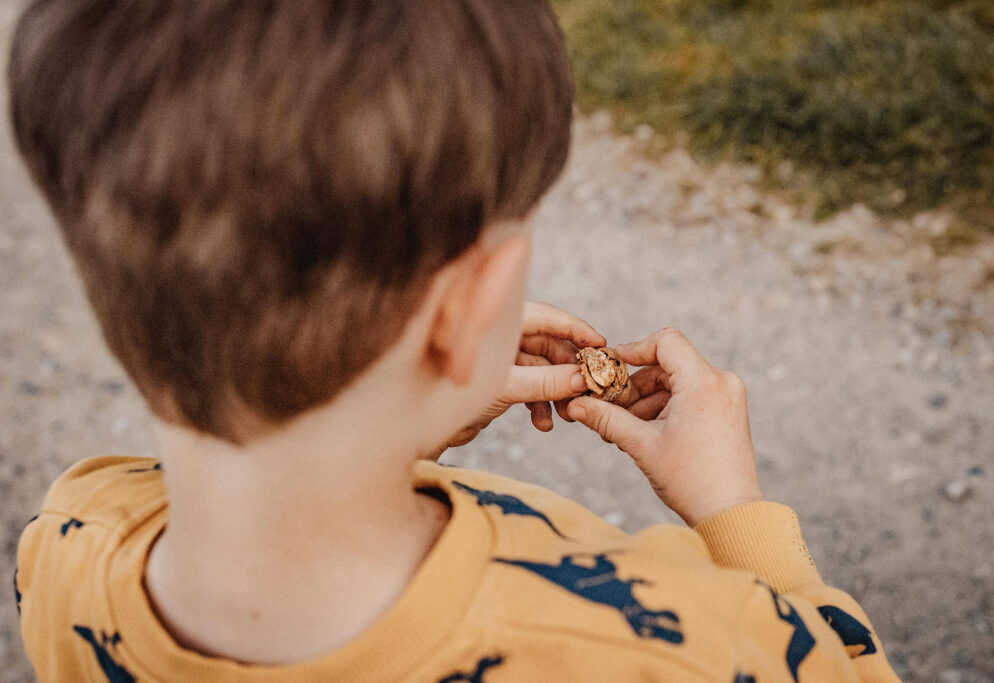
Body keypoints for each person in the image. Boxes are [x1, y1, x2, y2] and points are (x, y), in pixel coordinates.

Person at [8, 1, 899, 680]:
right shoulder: (657, 642)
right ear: (467, 305)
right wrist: (733, 517)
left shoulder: (67, 538)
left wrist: (393, 424)